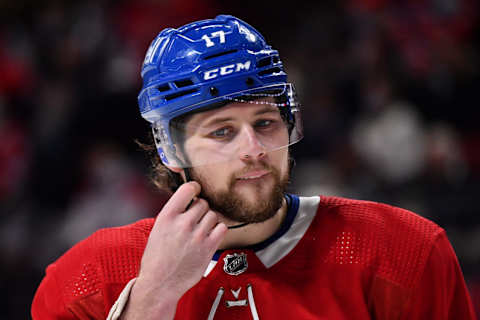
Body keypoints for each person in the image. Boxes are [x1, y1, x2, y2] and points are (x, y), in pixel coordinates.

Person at [31, 15, 477, 320]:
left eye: (265, 122)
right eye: (222, 131)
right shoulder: (85, 279)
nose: (254, 149)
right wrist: (150, 300)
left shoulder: (404, 251)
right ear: (170, 149)